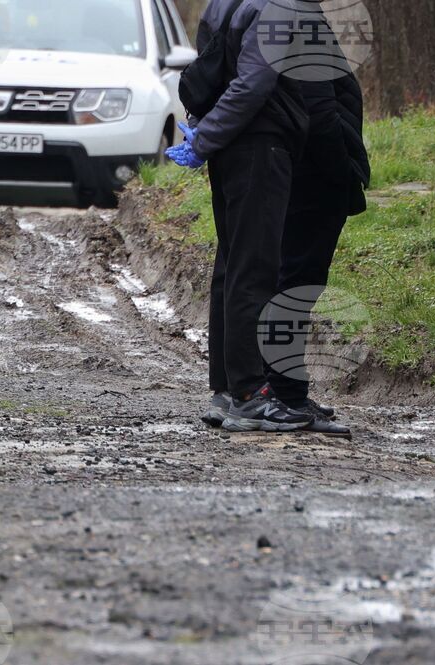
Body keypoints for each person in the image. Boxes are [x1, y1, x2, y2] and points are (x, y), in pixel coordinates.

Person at [167, 0, 313, 432]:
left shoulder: (223, 4)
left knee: (231, 268)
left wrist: (205, 136)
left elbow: (210, 73)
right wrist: (205, 139)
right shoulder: (274, 8)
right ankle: (250, 394)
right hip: (259, 147)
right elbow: (252, 84)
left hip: (230, 151)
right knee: (253, 270)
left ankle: (227, 391)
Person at [264, 35, 371, 438]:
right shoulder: (299, 17)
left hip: (298, 172)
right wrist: (340, 169)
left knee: (292, 282)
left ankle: (281, 391)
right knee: (296, 285)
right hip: (313, 177)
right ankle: (285, 395)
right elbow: (318, 108)